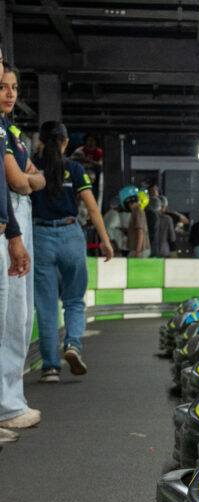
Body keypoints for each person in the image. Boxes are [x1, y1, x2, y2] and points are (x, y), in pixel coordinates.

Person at [30, 121, 113, 384]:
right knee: (74, 300)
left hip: (40, 235)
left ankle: (50, 368)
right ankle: (73, 345)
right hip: (70, 235)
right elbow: (92, 209)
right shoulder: (75, 169)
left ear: (40, 142)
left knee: (45, 306)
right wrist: (105, 240)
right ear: (66, 143)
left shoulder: (30, 166)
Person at [0, 62, 36, 432]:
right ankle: (7, 403)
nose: (10, 93)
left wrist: (29, 180)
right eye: (2, 86)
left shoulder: (11, 132)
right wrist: (28, 181)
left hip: (14, 218)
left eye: (13, 86)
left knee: (19, 317)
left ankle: (11, 398)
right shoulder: (1, 132)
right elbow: (19, 180)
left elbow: (33, 177)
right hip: (10, 219)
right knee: (10, 317)